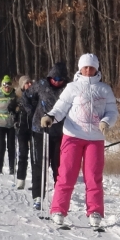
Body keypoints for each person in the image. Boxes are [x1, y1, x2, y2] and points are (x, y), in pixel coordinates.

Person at [42, 54, 118, 228]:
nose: (88, 70)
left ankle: (95, 211)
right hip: (73, 135)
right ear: (80, 68)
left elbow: (112, 112)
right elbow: (61, 107)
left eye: (91, 67)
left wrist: (106, 121)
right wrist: (51, 117)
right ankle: (59, 210)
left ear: (97, 68)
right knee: (67, 174)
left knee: (93, 176)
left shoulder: (104, 89)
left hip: (95, 138)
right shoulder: (72, 87)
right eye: (85, 67)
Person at [22, 63, 68, 210]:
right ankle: (37, 196)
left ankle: (59, 196)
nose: (57, 81)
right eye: (55, 78)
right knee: (40, 164)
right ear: (50, 77)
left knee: (59, 165)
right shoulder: (41, 84)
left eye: (60, 78)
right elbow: (25, 96)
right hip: (40, 130)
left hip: (60, 131)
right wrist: (31, 111)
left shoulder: (68, 88)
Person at [14, 75, 33, 190]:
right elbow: (11, 107)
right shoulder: (17, 96)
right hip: (22, 129)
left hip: (33, 129)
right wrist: (15, 117)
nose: (29, 85)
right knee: (23, 154)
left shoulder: (35, 96)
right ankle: (21, 180)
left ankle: (36, 181)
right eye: (27, 83)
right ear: (22, 85)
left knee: (35, 157)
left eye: (30, 83)